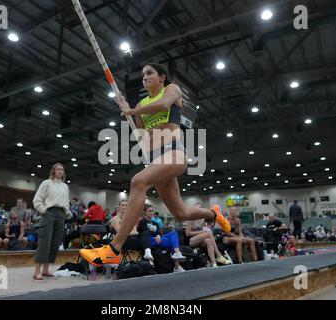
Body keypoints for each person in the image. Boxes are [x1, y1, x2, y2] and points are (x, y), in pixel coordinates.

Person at [79, 63, 231, 266]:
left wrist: (131, 111)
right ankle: (214, 213)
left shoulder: (171, 89)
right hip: (155, 158)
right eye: (142, 75)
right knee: (181, 214)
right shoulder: (142, 105)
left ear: (162, 77)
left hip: (174, 153)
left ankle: (114, 248)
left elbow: (164, 106)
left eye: (149, 73)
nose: (144, 77)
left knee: (138, 181)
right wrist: (131, 112)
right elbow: (142, 135)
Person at [32, 163, 71, 281]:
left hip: (61, 215)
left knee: (55, 243)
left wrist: (67, 212)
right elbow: (37, 199)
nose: (60, 171)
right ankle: (36, 272)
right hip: (49, 213)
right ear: (53, 171)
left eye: (62, 169)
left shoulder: (65, 186)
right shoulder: (46, 183)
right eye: (58, 169)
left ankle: (45, 270)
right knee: (45, 242)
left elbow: (66, 201)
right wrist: (43, 210)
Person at [142, 205, 186, 272]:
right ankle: (177, 266)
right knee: (171, 242)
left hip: (158, 240)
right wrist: (156, 236)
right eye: (149, 211)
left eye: (152, 211)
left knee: (173, 233)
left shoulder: (155, 223)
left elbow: (159, 232)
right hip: (149, 241)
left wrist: (159, 235)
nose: (151, 212)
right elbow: (144, 233)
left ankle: (177, 254)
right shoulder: (143, 221)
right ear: (145, 212)